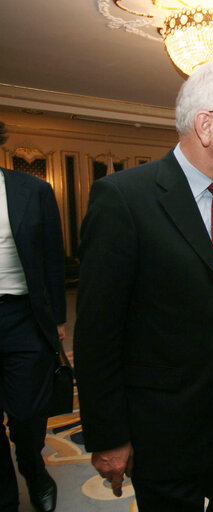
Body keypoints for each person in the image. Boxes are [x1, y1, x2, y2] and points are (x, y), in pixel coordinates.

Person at [73, 59, 213, 512]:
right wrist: (109, 435)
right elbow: (98, 334)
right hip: (165, 429)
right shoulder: (124, 199)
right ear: (205, 125)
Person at [1, 150, 66, 512]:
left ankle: (33, 467)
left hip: (21, 315)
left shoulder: (32, 190)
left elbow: (53, 257)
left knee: (27, 413)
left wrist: (58, 318)